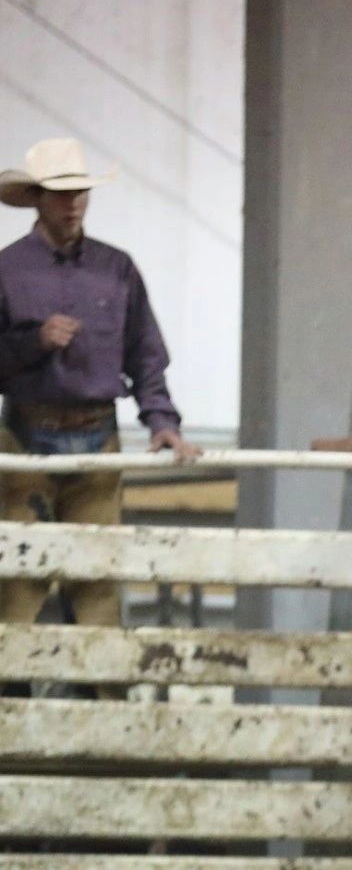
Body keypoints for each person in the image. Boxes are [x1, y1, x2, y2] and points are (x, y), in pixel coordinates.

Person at [0, 137, 197, 632]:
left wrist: (162, 421)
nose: (73, 204)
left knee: (98, 585)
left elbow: (145, 352)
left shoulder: (118, 269)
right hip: (27, 441)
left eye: (80, 192)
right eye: (62, 194)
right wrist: (32, 343)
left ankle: (102, 701)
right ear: (39, 198)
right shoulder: (7, 269)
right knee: (19, 585)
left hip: (96, 440)